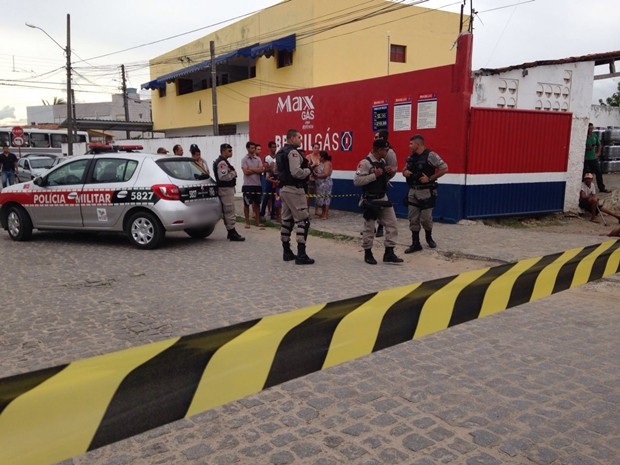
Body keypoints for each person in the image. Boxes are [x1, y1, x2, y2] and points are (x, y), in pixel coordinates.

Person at [353, 138, 403, 265]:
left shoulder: (382, 162)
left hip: (383, 198)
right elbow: (357, 181)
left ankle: (389, 252)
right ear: (379, 150)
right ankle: (368, 253)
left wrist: (389, 174)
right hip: (370, 199)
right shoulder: (365, 163)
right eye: (386, 150)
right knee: (369, 227)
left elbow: (384, 180)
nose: (387, 152)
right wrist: (374, 175)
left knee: (392, 224)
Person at [403, 134, 448, 253]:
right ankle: (415, 243)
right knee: (413, 218)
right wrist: (405, 172)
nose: (409, 146)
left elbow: (444, 168)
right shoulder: (411, 157)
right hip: (413, 190)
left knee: (425, 219)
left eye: (411, 143)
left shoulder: (431, 155)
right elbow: (404, 170)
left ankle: (429, 237)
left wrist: (430, 178)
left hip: (426, 191)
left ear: (418, 144)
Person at [276, 129, 315, 265]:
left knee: (286, 220)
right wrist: (309, 170)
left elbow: (277, 170)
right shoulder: (292, 152)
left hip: (284, 189)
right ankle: (301, 254)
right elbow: (296, 172)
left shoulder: (280, 152)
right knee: (303, 221)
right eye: (299, 137)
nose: (300, 139)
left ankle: (286, 251)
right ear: (291, 138)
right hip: (294, 189)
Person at [213, 143, 245, 242]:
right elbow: (223, 177)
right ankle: (232, 232)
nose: (231, 152)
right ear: (223, 151)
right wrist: (233, 173)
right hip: (225, 189)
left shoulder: (224, 162)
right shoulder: (222, 163)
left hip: (227, 189)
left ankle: (230, 231)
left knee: (229, 210)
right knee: (229, 210)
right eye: (229, 151)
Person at [373, 130, 398, 238]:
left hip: (381, 184)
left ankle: (380, 227)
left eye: (376, 136)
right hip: (373, 182)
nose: (374, 138)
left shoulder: (390, 153)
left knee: (382, 206)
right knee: (370, 205)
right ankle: (370, 227)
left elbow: (393, 169)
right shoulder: (375, 151)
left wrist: (385, 179)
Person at [241, 141, 264, 228]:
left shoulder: (258, 159)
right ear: (247, 148)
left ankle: (257, 222)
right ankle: (247, 222)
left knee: (257, 204)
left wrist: (251, 169)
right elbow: (246, 172)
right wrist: (256, 170)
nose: (253, 149)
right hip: (248, 185)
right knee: (246, 204)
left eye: (254, 148)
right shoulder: (244, 159)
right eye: (251, 148)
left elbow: (261, 170)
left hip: (257, 185)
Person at [584, 123, 610, 193]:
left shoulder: (594, 136)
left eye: (592, 128)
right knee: (585, 174)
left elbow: (599, 145)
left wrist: (598, 153)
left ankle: (602, 188)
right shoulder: (583, 136)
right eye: (589, 128)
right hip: (585, 159)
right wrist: (587, 147)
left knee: (598, 172)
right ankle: (584, 190)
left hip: (593, 158)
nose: (591, 130)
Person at [260, 141, 278, 221]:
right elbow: (265, 168)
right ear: (270, 148)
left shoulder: (277, 157)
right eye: (273, 147)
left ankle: (273, 213)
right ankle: (262, 213)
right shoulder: (267, 157)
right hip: (268, 178)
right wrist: (271, 167)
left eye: (275, 147)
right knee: (266, 196)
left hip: (276, 178)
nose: (274, 148)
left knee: (275, 196)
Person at [314, 150, 333, 220]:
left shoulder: (327, 163)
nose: (318, 157)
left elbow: (326, 174)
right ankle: (322, 213)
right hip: (320, 184)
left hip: (326, 183)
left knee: (326, 199)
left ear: (322, 157)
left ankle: (326, 214)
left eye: (319, 156)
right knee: (322, 198)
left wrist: (317, 176)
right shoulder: (321, 163)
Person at [306, 142, 322, 216]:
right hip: (310, 178)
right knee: (308, 195)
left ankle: (317, 210)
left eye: (318, 148)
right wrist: (313, 165)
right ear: (312, 148)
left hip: (318, 178)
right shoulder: (309, 157)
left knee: (317, 195)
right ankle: (307, 210)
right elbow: (306, 167)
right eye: (315, 148)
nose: (316, 149)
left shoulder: (320, 157)